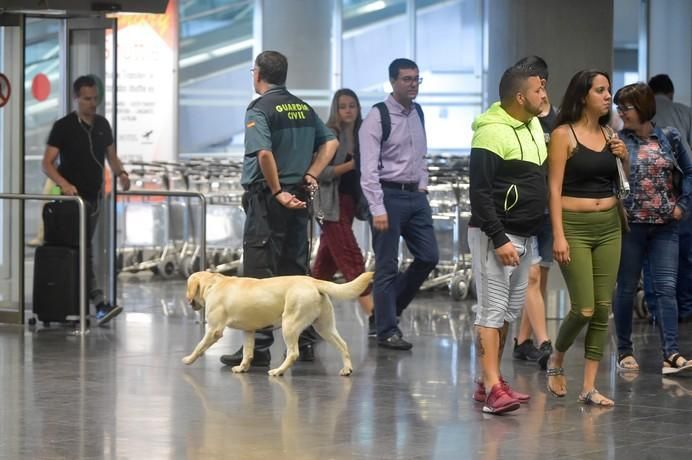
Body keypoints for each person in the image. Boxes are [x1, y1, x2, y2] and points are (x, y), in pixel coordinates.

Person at [220, 50, 338, 368]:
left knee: (260, 277)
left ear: (257, 73)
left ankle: (257, 349)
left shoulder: (260, 109)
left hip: (269, 200)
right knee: (295, 274)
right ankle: (302, 345)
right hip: (299, 198)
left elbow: (264, 155)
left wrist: (276, 191)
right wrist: (312, 173)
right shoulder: (302, 107)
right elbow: (331, 143)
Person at [468, 64, 547, 414]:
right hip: (496, 236)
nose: (544, 95)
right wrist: (498, 237)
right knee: (491, 312)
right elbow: (480, 193)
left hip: (525, 235)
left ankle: (488, 382)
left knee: (507, 315)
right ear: (520, 96)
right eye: (538, 90)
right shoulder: (490, 132)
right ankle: (492, 388)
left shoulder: (532, 126)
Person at [546, 70, 627, 407]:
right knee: (583, 307)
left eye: (608, 90)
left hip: (609, 225)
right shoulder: (563, 134)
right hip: (574, 226)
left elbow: (621, 182)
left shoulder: (611, 133)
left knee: (603, 308)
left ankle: (589, 387)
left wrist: (624, 156)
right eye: (600, 90)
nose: (608, 96)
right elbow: (553, 188)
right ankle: (556, 358)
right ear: (583, 96)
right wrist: (559, 236)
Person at [611, 83, 692, 375]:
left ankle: (671, 353)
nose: (621, 113)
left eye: (626, 108)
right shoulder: (618, 140)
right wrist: (621, 158)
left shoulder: (670, 137)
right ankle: (624, 351)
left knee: (667, 289)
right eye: (618, 108)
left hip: (665, 227)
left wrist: (683, 205)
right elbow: (613, 181)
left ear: (643, 108)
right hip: (631, 226)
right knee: (627, 289)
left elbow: (690, 171)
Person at [358, 58, 438, 351]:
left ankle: (384, 312)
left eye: (416, 79)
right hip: (388, 196)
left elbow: (421, 154)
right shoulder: (377, 116)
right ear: (392, 82)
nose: (413, 84)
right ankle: (386, 330)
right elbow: (368, 169)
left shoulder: (418, 112)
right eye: (407, 79)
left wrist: (423, 185)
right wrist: (377, 208)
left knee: (429, 256)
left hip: (415, 196)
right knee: (387, 265)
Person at [41, 75, 130, 326]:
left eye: (95, 99)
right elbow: (47, 164)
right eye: (87, 99)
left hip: (94, 199)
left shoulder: (102, 124)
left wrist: (121, 173)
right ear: (76, 98)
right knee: (83, 250)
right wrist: (64, 184)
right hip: (72, 202)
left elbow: (111, 157)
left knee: (86, 249)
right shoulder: (64, 126)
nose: (92, 104)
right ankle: (97, 302)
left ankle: (90, 302)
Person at [311, 89, 375, 334]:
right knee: (351, 257)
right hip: (330, 205)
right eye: (343, 106)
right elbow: (319, 172)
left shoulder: (363, 135)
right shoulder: (330, 135)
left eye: (352, 106)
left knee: (324, 267)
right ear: (335, 110)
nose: (348, 110)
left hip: (349, 205)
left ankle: (308, 321)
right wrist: (350, 165)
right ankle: (374, 317)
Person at [511, 56, 555, 370]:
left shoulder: (555, 118)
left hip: (548, 207)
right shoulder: (513, 115)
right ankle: (543, 342)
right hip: (523, 206)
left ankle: (522, 341)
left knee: (541, 278)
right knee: (532, 276)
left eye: (540, 82)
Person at [648, 74, 692, 323]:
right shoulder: (685, 113)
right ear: (671, 93)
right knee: (685, 254)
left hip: (651, 192)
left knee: (651, 254)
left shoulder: (645, 110)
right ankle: (685, 309)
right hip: (683, 193)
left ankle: (656, 311)